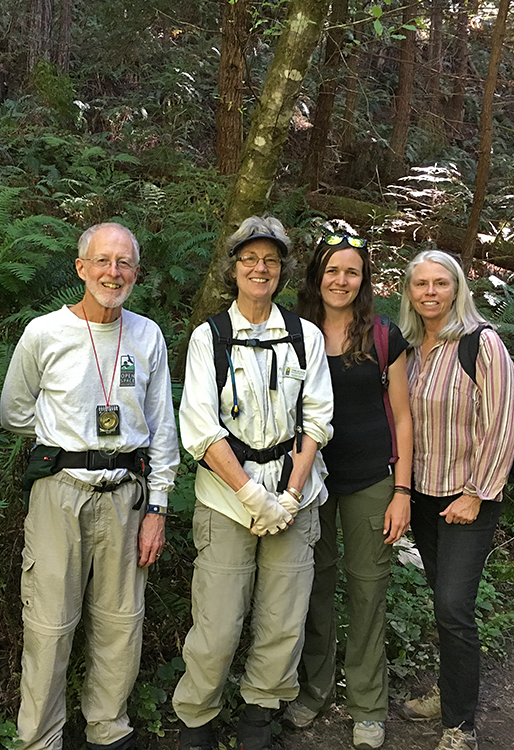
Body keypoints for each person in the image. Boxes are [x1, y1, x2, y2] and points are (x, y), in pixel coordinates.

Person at [0, 223, 179, 750]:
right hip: (61, 493)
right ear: (81, 268)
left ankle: (108, 729)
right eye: (102, 261)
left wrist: (159, 507)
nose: (113, 272)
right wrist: (63, 439)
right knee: (50, 627)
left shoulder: (146, 335)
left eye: (124, 264)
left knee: (122, 623)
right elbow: (13, 410)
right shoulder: (44, 333)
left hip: (127, 493)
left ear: (136, 274)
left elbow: (161, 423)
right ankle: (39, 739)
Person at [173, 215, 334, 750]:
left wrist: (288, 495)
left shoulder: (304, 336)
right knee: (217, 623)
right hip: (225, 499)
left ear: (282, 270)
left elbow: (317, 420)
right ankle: (196, 718)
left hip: (295, 498)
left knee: (283, 618)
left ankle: (260, 716)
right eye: (249, 259)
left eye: (270, 260)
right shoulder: (210, 337)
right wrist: (248, 494)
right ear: (233, 268)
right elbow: (198, 425)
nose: (260, 268)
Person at [286, 233, 413, 750]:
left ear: (364, 279)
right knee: (313, 588)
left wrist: (402, 490)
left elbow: (403, 417)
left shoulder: (383, 336)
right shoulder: (292, 332)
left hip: (371, 480)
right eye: (332, 270)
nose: (341, 280)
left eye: (352, 271)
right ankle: (313, 690)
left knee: (367, 590)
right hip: (310, 480)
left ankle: (367, 706)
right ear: (317, 276)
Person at [397, 250, 514, 750]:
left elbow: (504, 423)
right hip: (424, 494)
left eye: (440, 283)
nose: (430, 292)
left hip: (469, 496)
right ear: (409, 292)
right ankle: (448, 694)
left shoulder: (482, 344)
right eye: (420, 284)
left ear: (458, 289)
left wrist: (476, 493)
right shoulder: (408, 347)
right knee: (440, 599)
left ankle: (460, 725)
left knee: (453, 605)